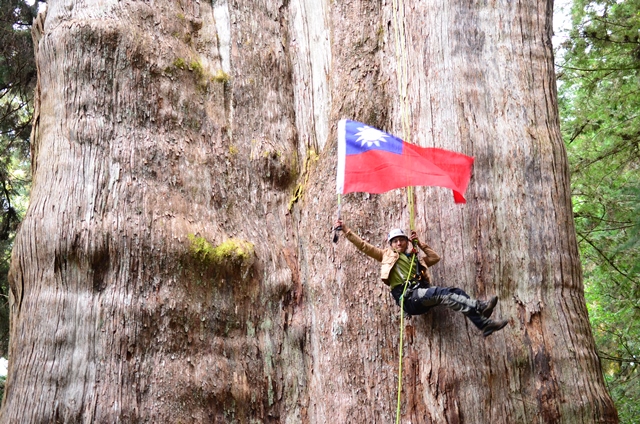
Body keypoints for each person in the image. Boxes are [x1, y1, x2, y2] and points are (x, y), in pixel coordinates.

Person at [335, 219, 508, 337]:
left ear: (407, 242)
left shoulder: (414, 259)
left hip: (421, 294)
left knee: (454, 292)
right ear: (390, 244)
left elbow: (434, 258)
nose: (399, 243)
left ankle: (484, 324)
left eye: (402, 240)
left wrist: (420, 245)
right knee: (443, 294)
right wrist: (346, 230)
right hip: (409, 298)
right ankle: (479, 306)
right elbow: (364, 246)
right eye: (395, 241)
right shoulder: (385, 255)